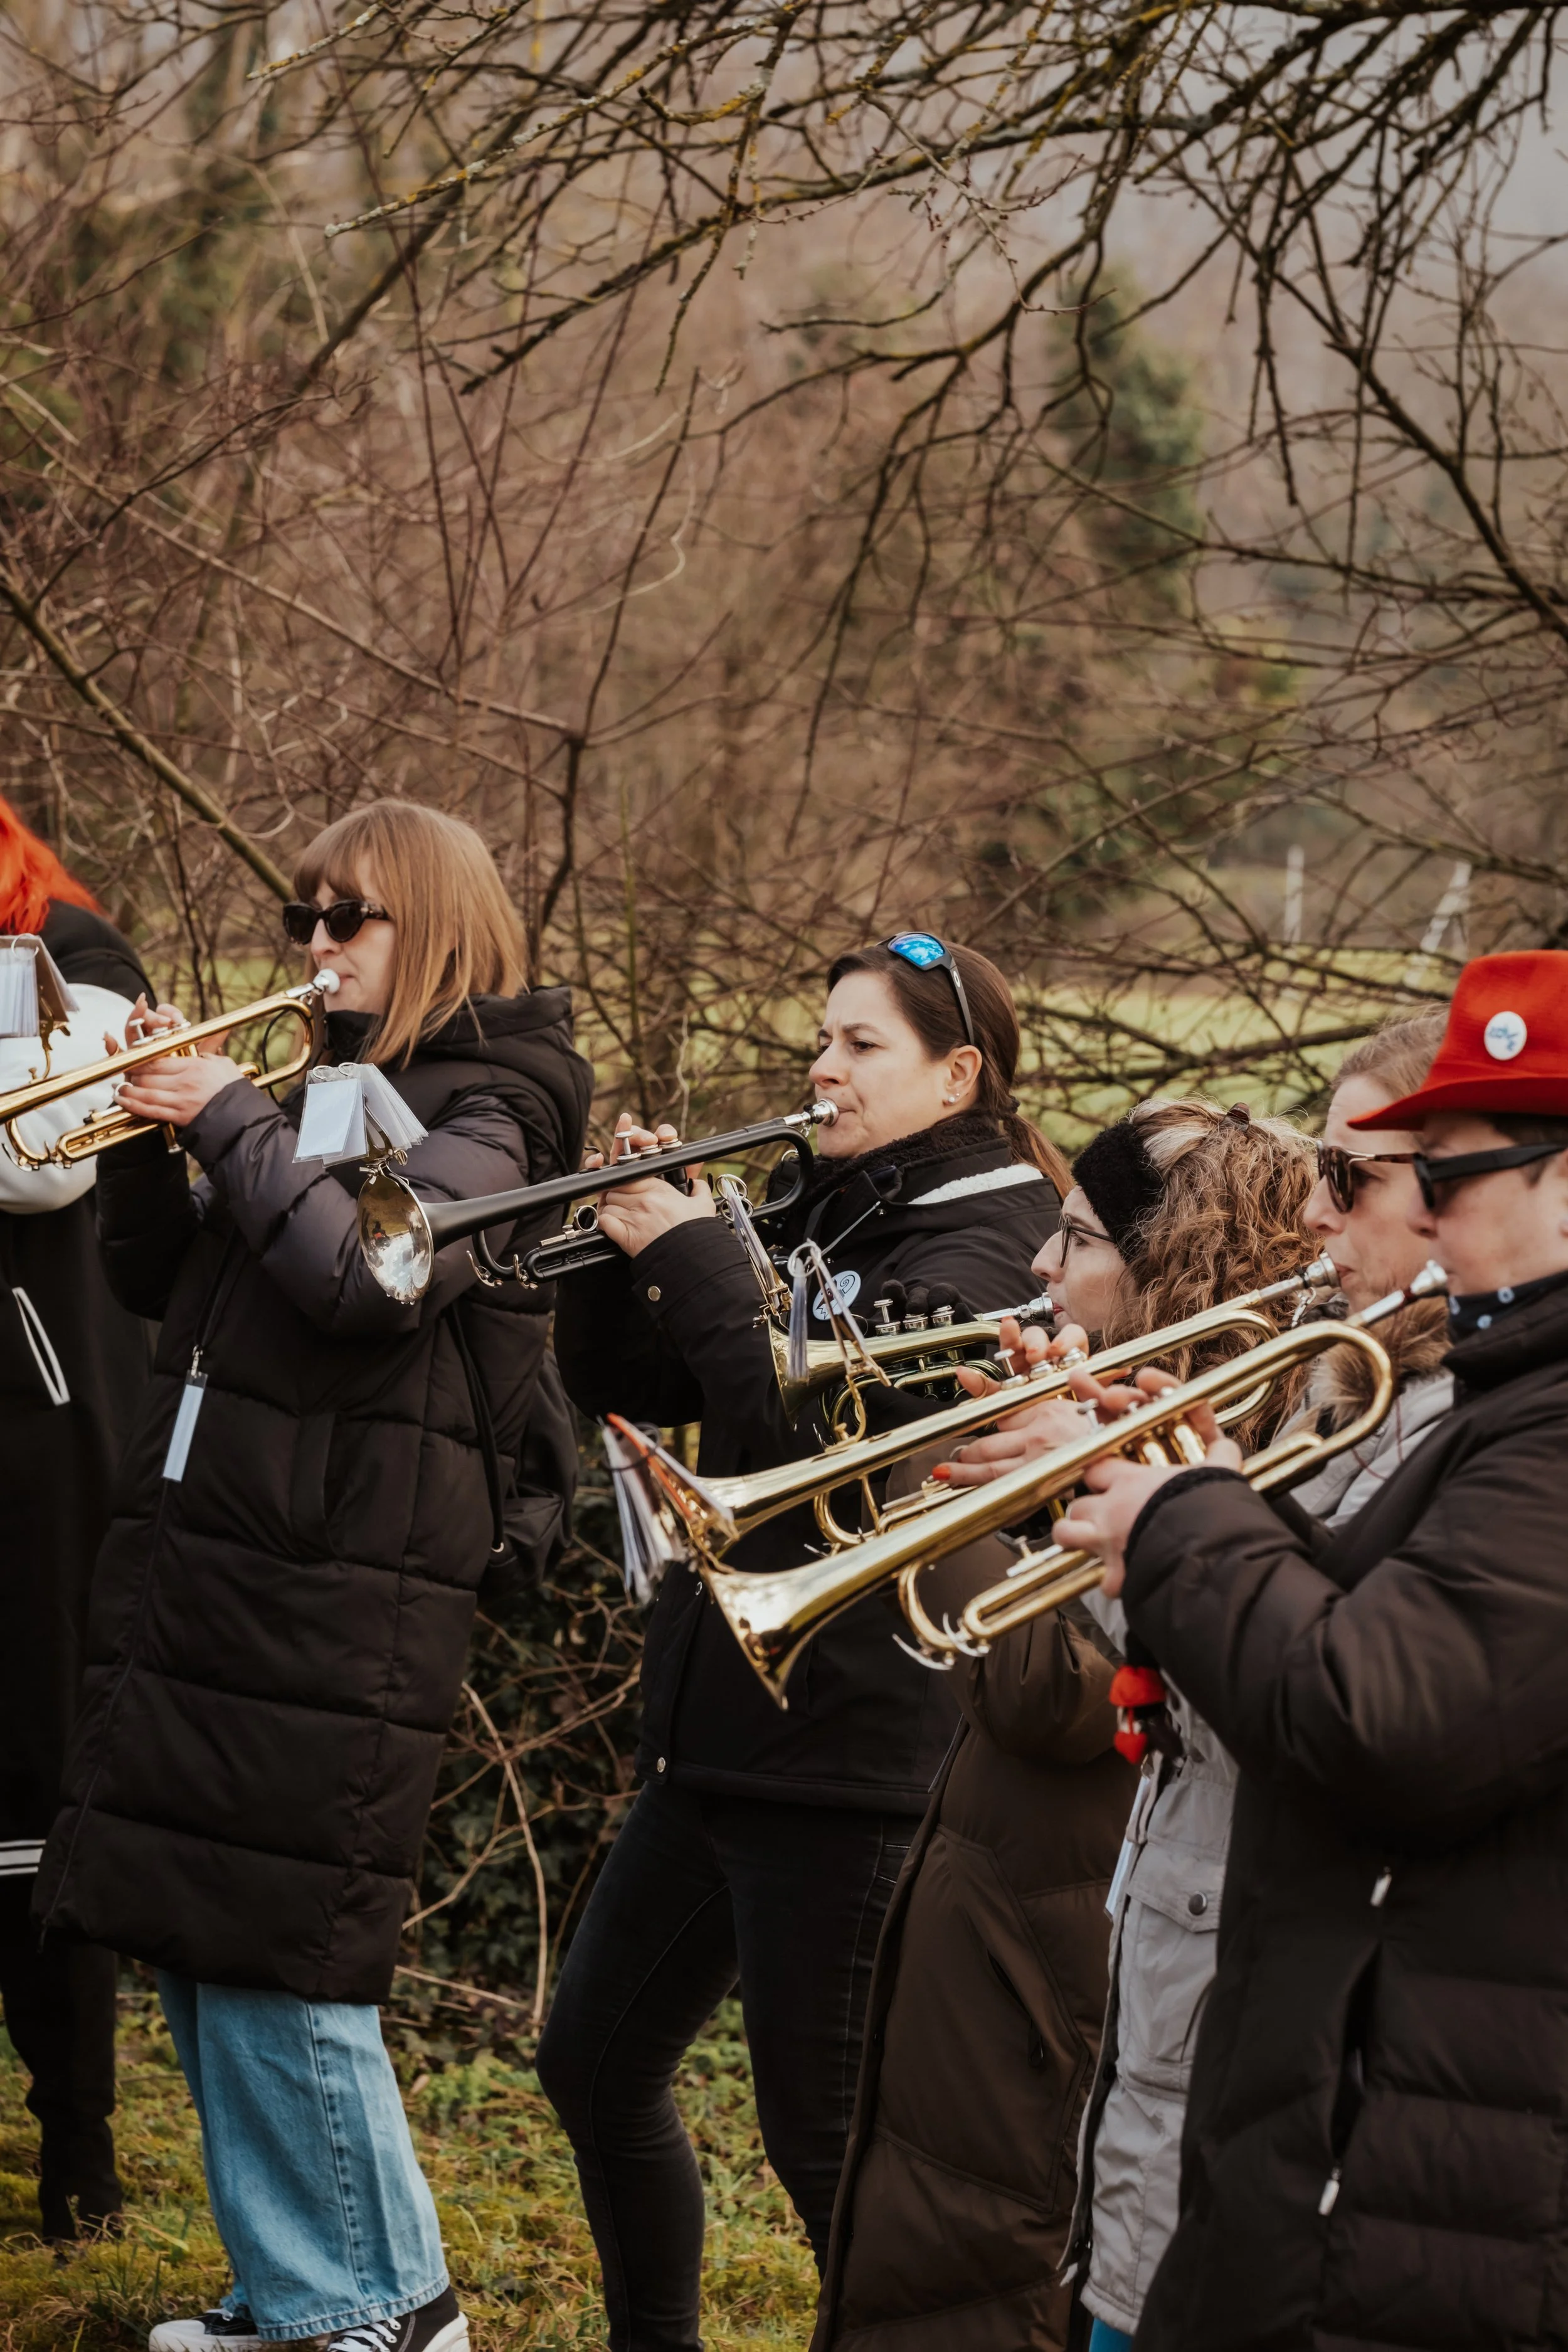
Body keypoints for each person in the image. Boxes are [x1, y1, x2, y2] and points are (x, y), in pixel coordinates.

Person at [32, 800, 593, 2352]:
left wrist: (226, 1115)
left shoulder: (501, 1108)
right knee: (204, 1931)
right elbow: (162, 1281)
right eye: (304, 917)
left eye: (351, 918)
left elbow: (369, 1275)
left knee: (286, 1952)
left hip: (340, 1584)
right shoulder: (329, 1088)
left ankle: (390, 2309)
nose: (318, 945)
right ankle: (295, 2294)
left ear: (436, 925)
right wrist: (148, 1144)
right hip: (229, 1566)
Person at [543, 936, 1068, 2352]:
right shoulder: (827, 1199)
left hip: (852, 1754)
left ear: (958, 1074)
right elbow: (645, 1382)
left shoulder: (994, 1237)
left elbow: (825, 1431)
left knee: (828, 2147)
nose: (822, 1068)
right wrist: (615, 1251)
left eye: (860, 1044)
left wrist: (694, 1253)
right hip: (723, 1730)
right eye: (820, 1040)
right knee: (592, 2063)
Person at [1052, 949, 1568, 2352]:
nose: (1421, 1209)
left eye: (1447, 1173)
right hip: (1367, 2123)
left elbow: (1377, 1712)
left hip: (1433, 2169)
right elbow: (1360, 1622)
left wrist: (1184, 1520)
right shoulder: (1510, 1402)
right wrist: (1182, 1504)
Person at [811, 1096, 1320, 2352]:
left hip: (1062, 1966)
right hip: (1014, 1923)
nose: (1040, 1263)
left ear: (1170, 1272)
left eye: (1080, 1238)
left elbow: (1042, 1688)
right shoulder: (1130, 1425)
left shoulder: (1222, 1451)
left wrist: (957, 1465)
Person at [0, 798, 152, 2240]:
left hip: (34, 1435)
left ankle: (78, 2144)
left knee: (38, 1774)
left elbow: (44, 1155)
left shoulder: (76, 948)